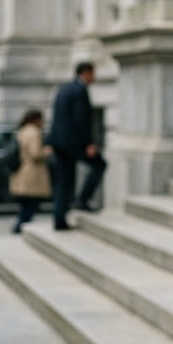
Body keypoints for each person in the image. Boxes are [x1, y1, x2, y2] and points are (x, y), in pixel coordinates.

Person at [45, 61, 106, 230]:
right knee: (99, 164)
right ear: (85, 73)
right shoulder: (80, 90)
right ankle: (82, 199)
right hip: (73, 143)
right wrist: (89, 143)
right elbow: (81, 119)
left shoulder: (64, 88)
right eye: (93, 73)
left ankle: (60, 218)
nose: (94, 77)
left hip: (59, 141)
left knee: (63, 181)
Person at [9, 108, 52, 233]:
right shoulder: (34, 132)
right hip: (31, 173)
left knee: (25, 204)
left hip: (22, 172)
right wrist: (46, 151)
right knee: (31, 205)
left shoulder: (22, 130)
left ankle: (20, 228)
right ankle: (19, 229)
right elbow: (35, 153)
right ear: (36, 119)